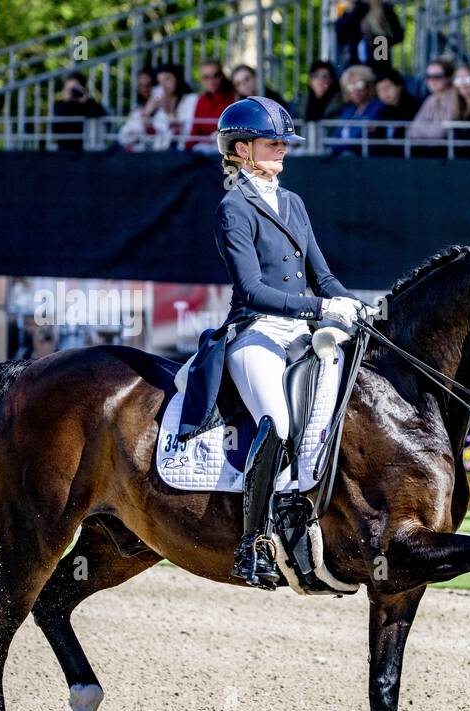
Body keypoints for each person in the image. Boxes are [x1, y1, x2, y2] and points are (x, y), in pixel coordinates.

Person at [205, 96, 372, 588]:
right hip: (255, 331)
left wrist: (357, 305)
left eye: (284, 143)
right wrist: (320, 309)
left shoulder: (293, 203)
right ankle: (251, 545)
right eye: (273, 143)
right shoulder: (234, 208)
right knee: (276, 423)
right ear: (240, 149)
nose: (283, 151)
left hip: (303, 334)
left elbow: (323, 276)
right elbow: (252, 289)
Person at [118, 63, 198, 150]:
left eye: (167, 79)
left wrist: (169, 113)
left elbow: (183, 135)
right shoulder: (155, 107)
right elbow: (125, 137)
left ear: (177, 78)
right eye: (160, 81)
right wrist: (146, 113)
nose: (163, 84)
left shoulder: (191, 99)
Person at [335, 0, 405, 68]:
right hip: (355, 63)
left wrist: (377, 40)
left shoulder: (384, 9)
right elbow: (341, 30)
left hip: (380, 64)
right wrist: (361, 7)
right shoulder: (354, 9)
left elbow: (398, 35)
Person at [186, 60, 235, 153]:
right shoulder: (202, 100)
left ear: (222, 76)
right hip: (203, 151)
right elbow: (195, 130)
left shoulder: (234, 98)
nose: (211, 81)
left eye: (216, 75)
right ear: (201, 79)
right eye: (206, 77)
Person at [51, 71, 106, 151]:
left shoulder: (89, 104)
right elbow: (56, 127)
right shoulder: (60, 106)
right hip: (64, 150)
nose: (71, 92)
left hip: (86, 151)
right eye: (67, 89)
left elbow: (100, 115)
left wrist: (85, 100)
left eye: (74, 89)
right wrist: (67, 102)